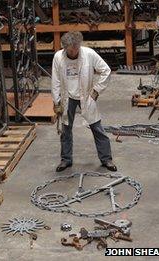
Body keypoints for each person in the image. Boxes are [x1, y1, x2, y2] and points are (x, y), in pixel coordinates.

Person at [51, 31, 117, 172]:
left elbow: (106, 70)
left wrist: (96, 90)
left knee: (97, 127)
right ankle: (66, 160)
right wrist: (56, 101)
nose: (75, 51)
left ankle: (106, 159)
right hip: (67, 97)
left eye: (77, 47)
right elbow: (55, 80)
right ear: (65, 48)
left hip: (86, 96)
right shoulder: (58, 57)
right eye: (71, 49)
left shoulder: (89, 54)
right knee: (66, 130)